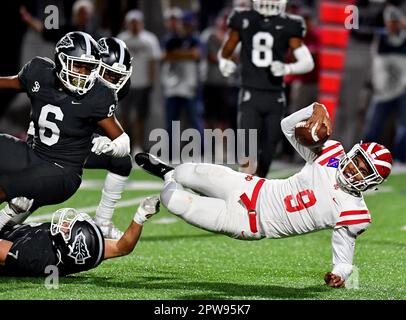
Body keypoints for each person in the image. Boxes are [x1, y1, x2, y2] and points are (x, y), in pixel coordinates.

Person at [134, 102, 393, 288]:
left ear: (372, 181)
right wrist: (314, 109)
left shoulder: (354, 212)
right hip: (249, 187)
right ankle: (171, 172)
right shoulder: (330, 154)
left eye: (363, 170)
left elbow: (344, 257)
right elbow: (287, 126)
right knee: (188, 172)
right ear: (353, 152)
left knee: (174, 202)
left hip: (247, 223)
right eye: (357, 160)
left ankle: (167, 177)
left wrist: (340, 274)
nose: (354, 169)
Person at [0, 32, 130, 223]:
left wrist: (113, 147)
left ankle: (7, 220)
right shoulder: (39, 72)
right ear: (61, 61)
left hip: (62, 171)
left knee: (7, 188)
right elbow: (12, 82)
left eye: (89, 68)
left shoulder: (98, 95)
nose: (82, 74)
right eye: (77, 65)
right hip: (34, 152)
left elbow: (123, 141)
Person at [219, 0, 315, 177]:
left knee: (269, 148)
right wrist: (224, 61)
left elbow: (308, 62)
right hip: (250, 93)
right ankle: (243, 189)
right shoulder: (243, 19)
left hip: (275, 96)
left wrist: (288, 68)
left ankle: (258, 187)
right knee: (248, 148)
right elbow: (227, 49)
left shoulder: (290, 24)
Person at [0, 196, 159, 277]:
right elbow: (123, 247)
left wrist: (8, 214)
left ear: (64, 245)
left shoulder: (33, 255)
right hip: (14, 233)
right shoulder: (85, 254)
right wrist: (140, 216)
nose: (64, 224)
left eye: (67, 229)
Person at [117, 9, 162, 155]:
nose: (135, 25)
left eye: (137, 22)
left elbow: (153, 63)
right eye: (132, 22)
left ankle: (137, 146)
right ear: (127, 24)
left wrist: (151, 82)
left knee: (139, 118)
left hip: (143, 84)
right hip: (125, 84)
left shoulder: (150, 39)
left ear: (141, 23)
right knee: (123, 116)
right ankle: (122, 146)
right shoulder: (122, 38)